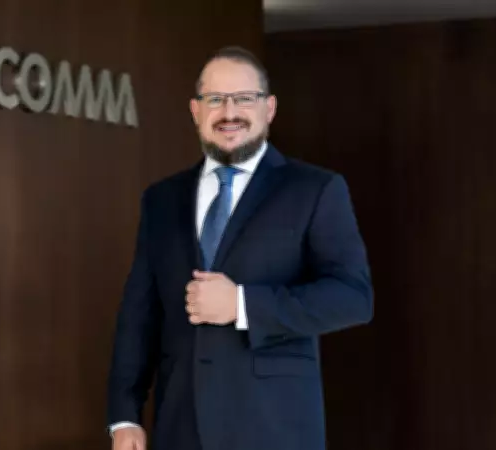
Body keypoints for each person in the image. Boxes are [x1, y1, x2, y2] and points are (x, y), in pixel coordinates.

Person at [105, 46, 373, 450]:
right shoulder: (161, 199)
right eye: (215, 99)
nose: (229, 112)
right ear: (196, 111)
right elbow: (139, 315)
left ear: (269, 108)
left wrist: (242, 305)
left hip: (274, 429)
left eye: (244, 98)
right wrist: (124, 415)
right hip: (181, 428)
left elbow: (353, 298)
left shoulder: (315, 190)